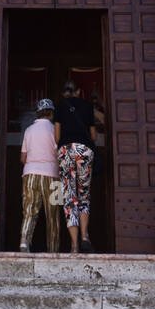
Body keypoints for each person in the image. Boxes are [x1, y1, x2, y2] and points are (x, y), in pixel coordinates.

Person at [54, 81, 97, 254]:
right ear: (79, 91)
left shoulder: (60, 106)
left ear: (65, 92)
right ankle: (85, 236)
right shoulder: (87, 106)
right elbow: (93, 135)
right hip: (84, 150)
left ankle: (74, 246)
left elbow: (57, 137)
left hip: (65, 150)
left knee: (69, 197)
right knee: (83, 195)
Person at [19, 98, 60, 254]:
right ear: (51, 113)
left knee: (29, 210)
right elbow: (59, 154)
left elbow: (23, 158)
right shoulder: (55, 130)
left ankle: (24, 241)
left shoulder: (29, 130)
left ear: (38, 113)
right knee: (53, 215)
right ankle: (53, 250)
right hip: (54, 177)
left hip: (30, 175)